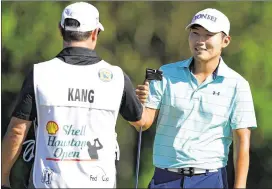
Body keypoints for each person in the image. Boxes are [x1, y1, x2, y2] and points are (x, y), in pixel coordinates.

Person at [1, 2, 146, 188]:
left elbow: (17, 131)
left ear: (61, 30)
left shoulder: (40, 74)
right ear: (94, 33)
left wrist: (3, 176)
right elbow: (142, 122)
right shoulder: (116, 77)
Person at [134, 8, 257, 188]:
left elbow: (242, 141)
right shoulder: (165, 73)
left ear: (225, 41)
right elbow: (143, 123)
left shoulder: (238, 84)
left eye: (208, 35)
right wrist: (136, 103)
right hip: (165, 178)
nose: (200, 41)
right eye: (195, 33)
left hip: (210, 179)